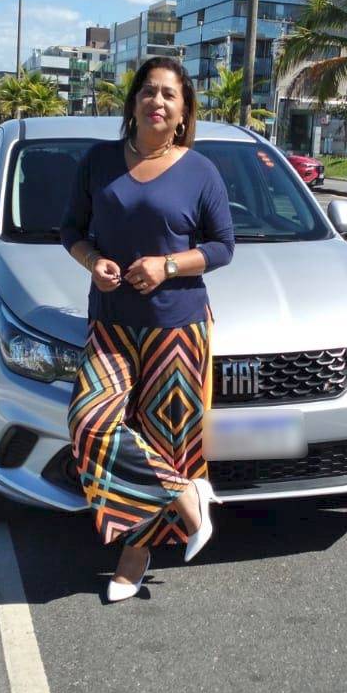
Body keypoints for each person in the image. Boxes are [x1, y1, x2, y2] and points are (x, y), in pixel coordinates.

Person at [61, 57, 235, 603]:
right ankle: (187, 494)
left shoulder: (200, 170)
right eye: (149, 92)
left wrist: (168, 265)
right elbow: (70, 230)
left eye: (169, 96)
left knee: (165, 442)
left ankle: (133, 558)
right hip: (111, 324)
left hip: (176, 328)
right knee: (89, 422)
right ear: (133, 101)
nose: (157, 102)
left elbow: (223, 247)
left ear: (183, 113)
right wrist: (94, 262)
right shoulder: (99, 161)